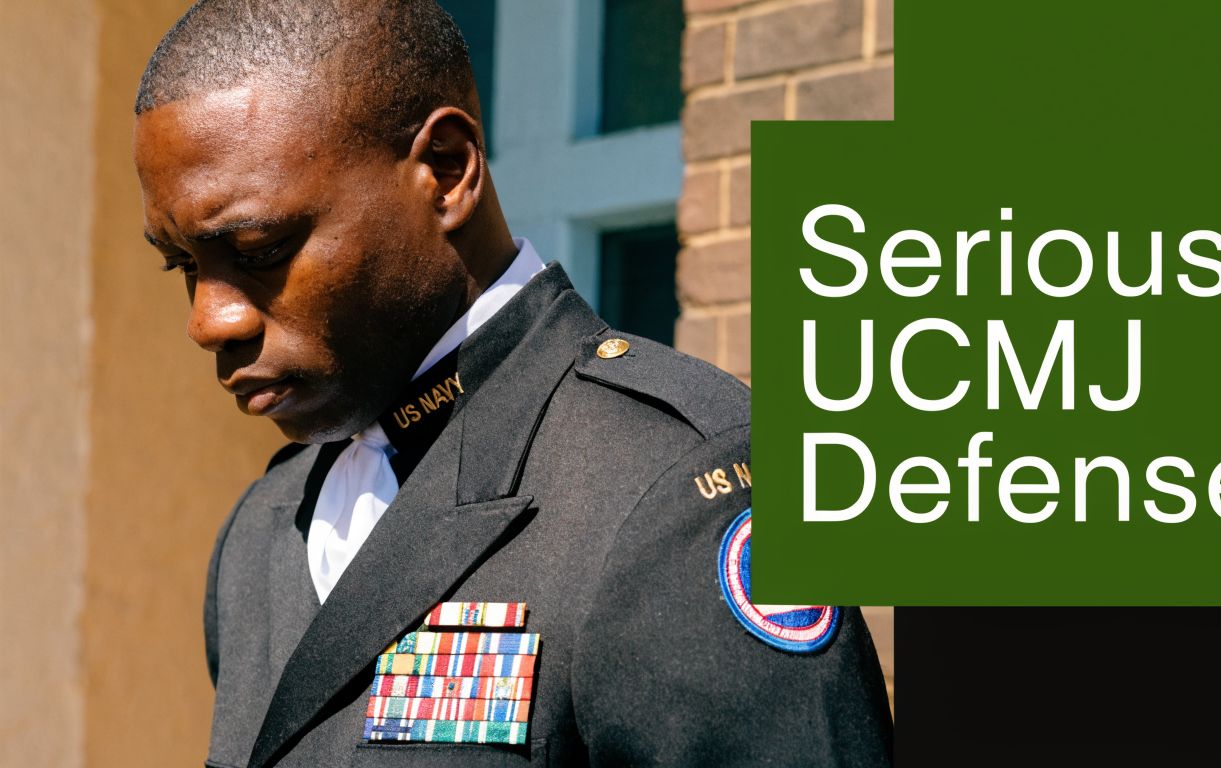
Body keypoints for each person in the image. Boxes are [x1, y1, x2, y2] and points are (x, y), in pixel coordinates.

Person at [132, 2, 893, 766]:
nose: (208, 321)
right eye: (183, 265)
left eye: (260, 248)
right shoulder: (263, 528)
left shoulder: (671, 488)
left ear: (447, 171)